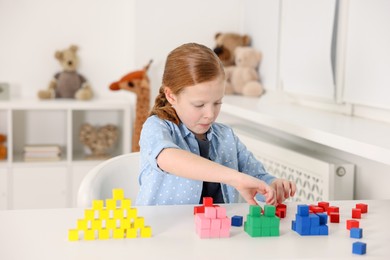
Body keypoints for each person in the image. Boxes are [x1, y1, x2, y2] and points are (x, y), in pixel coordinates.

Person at [136, 42, 296, 206]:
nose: (210, 114)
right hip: (162, 229)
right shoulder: (156, 127)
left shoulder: (226, 137)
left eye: (217, 103)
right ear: (171, 96)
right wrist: (235, 178)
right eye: (199, 105)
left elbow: (256, 178)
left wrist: (272, 186)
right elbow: (168, 158)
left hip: (218, 230)